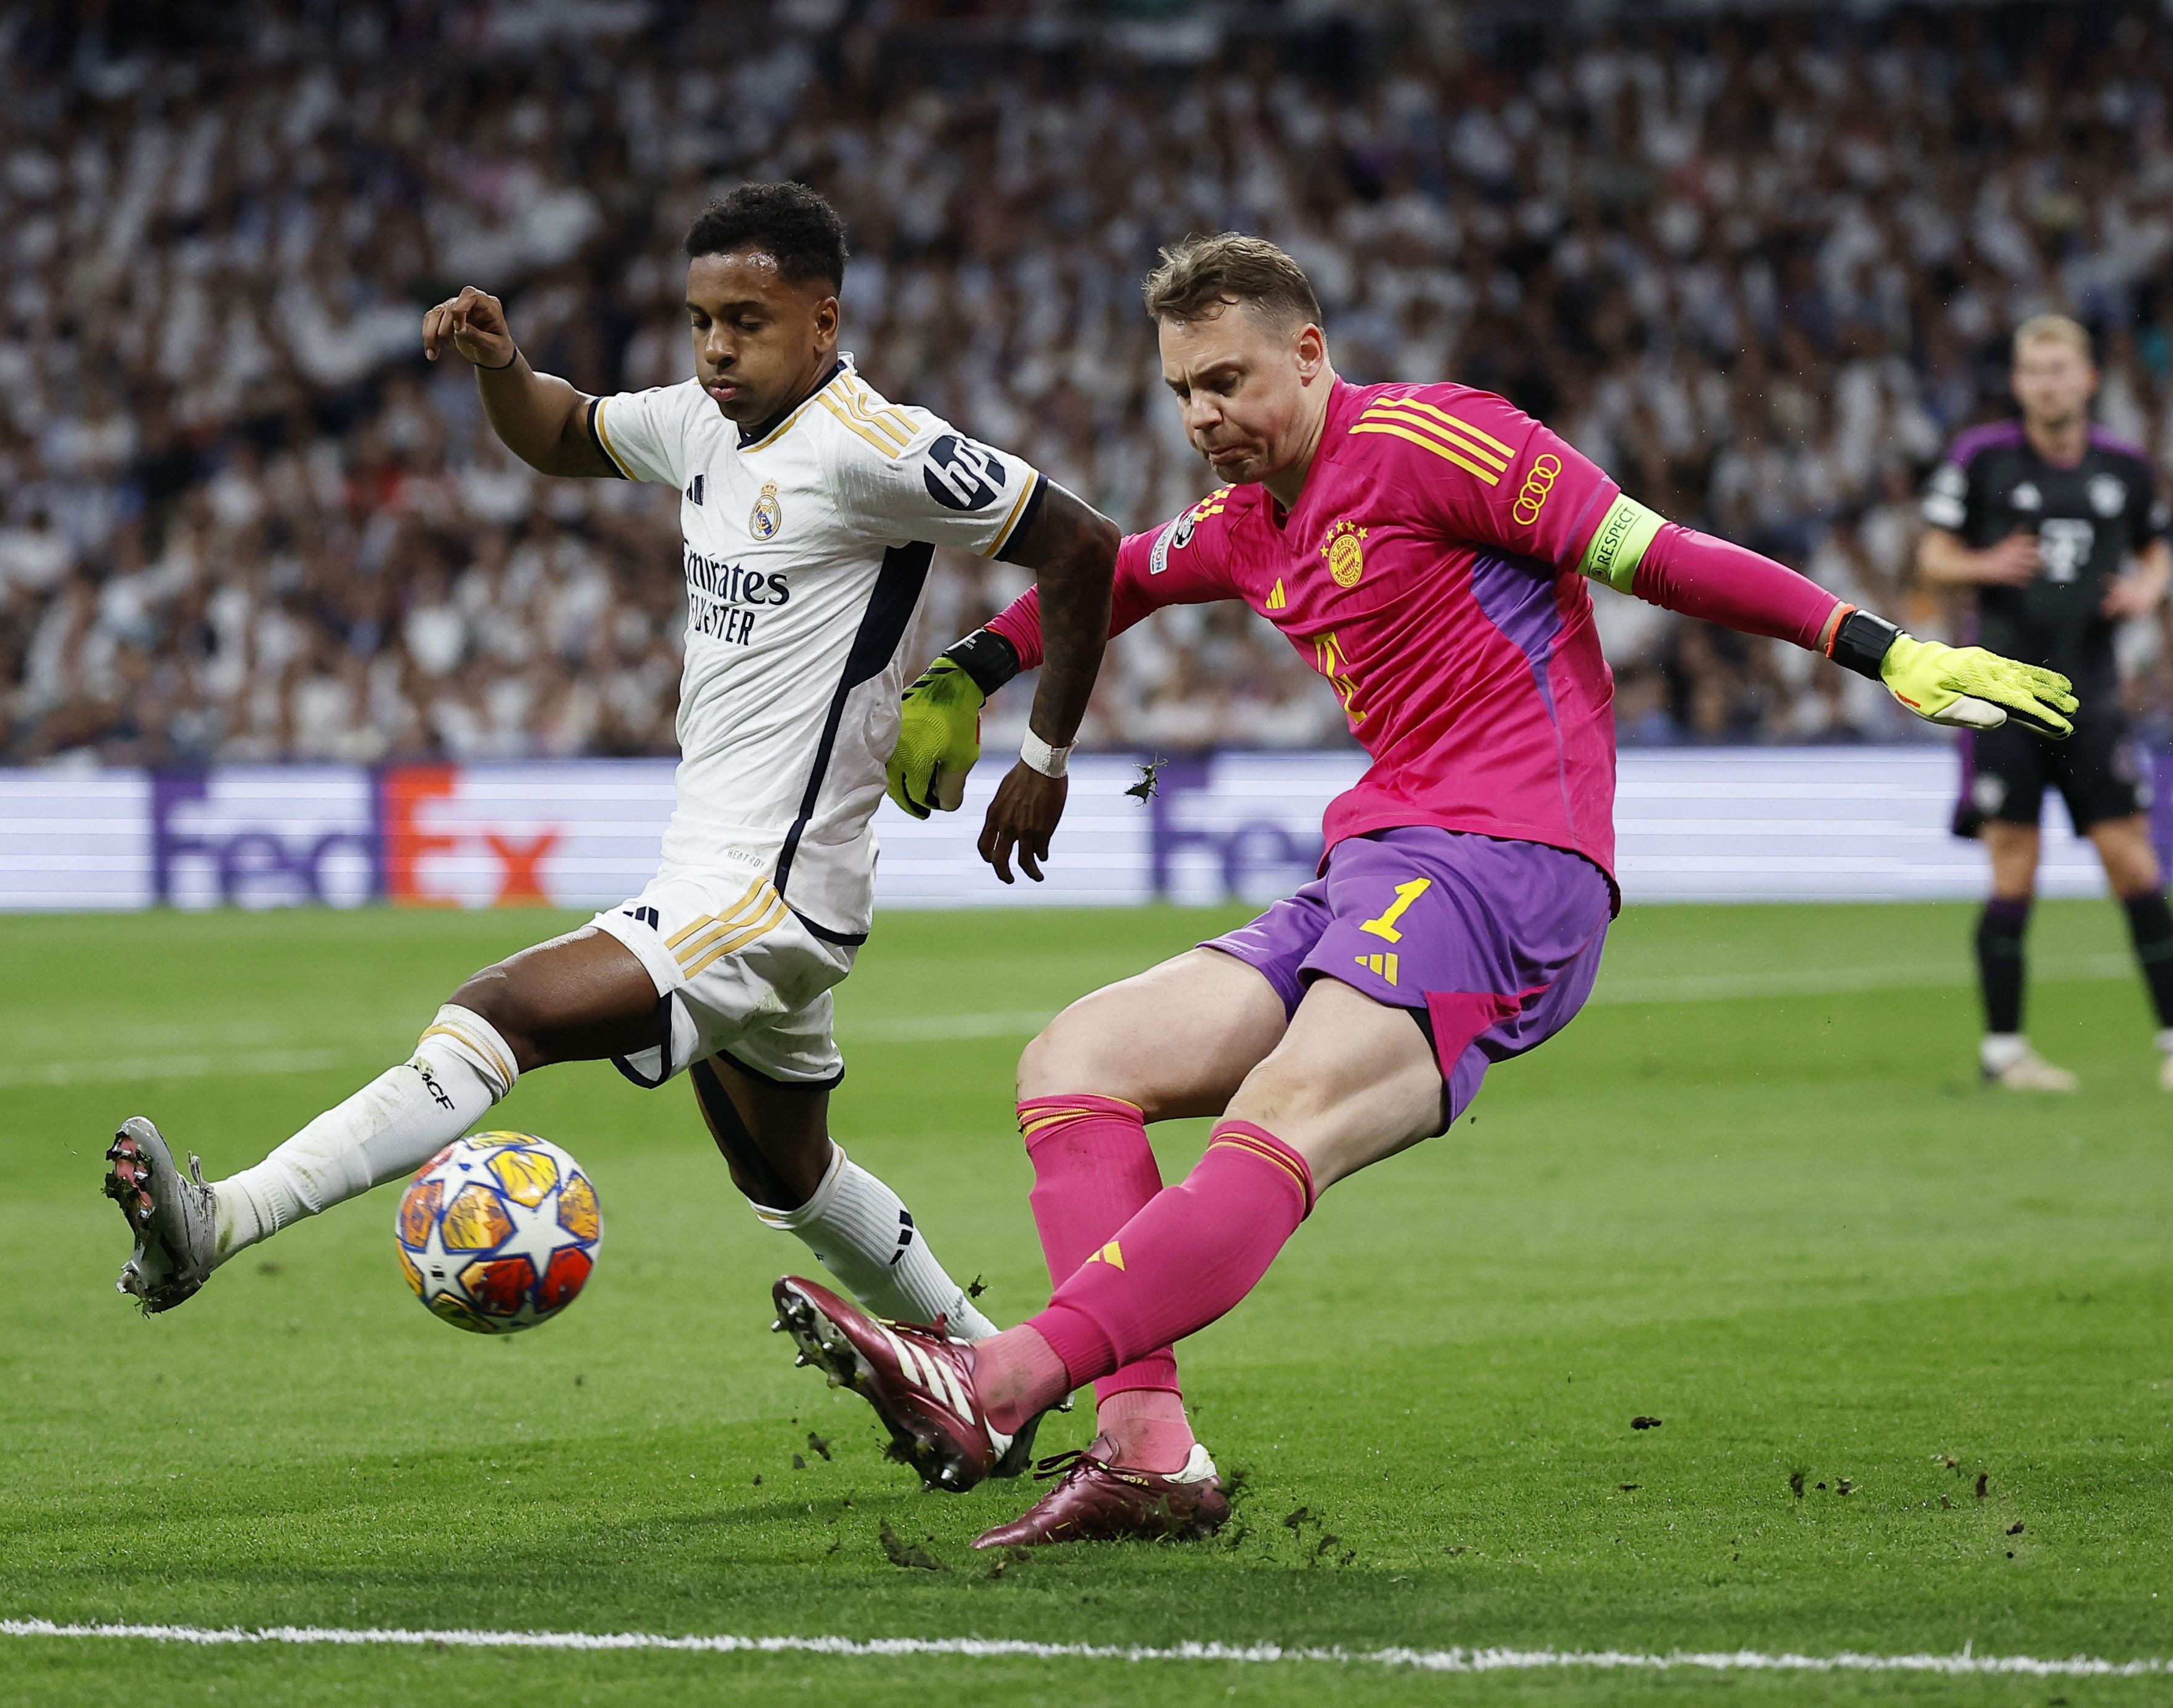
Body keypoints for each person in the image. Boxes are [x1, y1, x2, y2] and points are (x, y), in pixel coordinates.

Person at [770, 232, 2074, 1540]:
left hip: (1512, 863)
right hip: (1381, 862)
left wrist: (1882, 649)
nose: (1202, 417)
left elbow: (1658, 553)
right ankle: (1146, 1453)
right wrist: (974, 668)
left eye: (1225, 381)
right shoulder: (1249, 521)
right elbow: (1108, 574)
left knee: (1285, 1111)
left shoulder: (1437, 444)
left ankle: (994, 1383)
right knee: (1074, 1061)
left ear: (1309, 351)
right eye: (1179, 393)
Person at [101, 184, 1117, 1461]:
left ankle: (221, 1223)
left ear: (823, 319)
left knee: (499, 1011)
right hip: (723, 874)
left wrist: (1043, 747)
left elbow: (1087, 545)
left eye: (745, 321)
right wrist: (503, 364)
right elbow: (565, 434)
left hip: (770, 892)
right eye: (698, 321)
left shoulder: (879, 446)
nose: (714, 349)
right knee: (790, 1178)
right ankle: (1000, 1382)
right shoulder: (701, 422)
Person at [1917, 315, 2173, 1093]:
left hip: (2093, 695)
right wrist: (1984, 562)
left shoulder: (2124, 466)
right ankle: (2004, 1053)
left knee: (2129, 858)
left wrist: (2149, 585)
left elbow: (2155, 546)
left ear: (2087, 379)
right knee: (2013, 867)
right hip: (2000, 696)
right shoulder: (1980, 459)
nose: (2046, 382)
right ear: (2016, 384)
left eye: (2059, 369)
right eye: (2032, 370)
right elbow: (1931, 556)